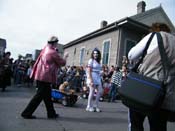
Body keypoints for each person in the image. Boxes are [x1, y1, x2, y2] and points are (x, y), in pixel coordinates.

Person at [127, 23, 175, 131]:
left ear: (155, 29)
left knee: (136, 124)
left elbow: (131, 55)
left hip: (145, 88)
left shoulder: (155, 36)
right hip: (165, 94)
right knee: (158, 127)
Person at [21, 36, 69, 119]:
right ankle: (26, 113)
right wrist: (65, 57)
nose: (57, 44)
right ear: (54, 43)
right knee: (39, 96)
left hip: (41, 75)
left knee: (47, 96)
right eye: (56, 43)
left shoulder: (45, 49)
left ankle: (51, 113)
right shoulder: (52, 52)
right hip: (45, 77)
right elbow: (62, 63)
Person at [86, 48, 103, 112]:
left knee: (100, 91)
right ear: (92, 54)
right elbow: (89, 70)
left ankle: (95, 105)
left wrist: (101, 72)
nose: (95, 54)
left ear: (98, 54)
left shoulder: (99, 61)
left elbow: (99, 70)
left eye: (97, 53)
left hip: (98, 77)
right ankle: (88, 106)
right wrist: (90, 80)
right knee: (92, 91)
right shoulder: (91, 60)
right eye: (94, 53)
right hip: (92, 76)